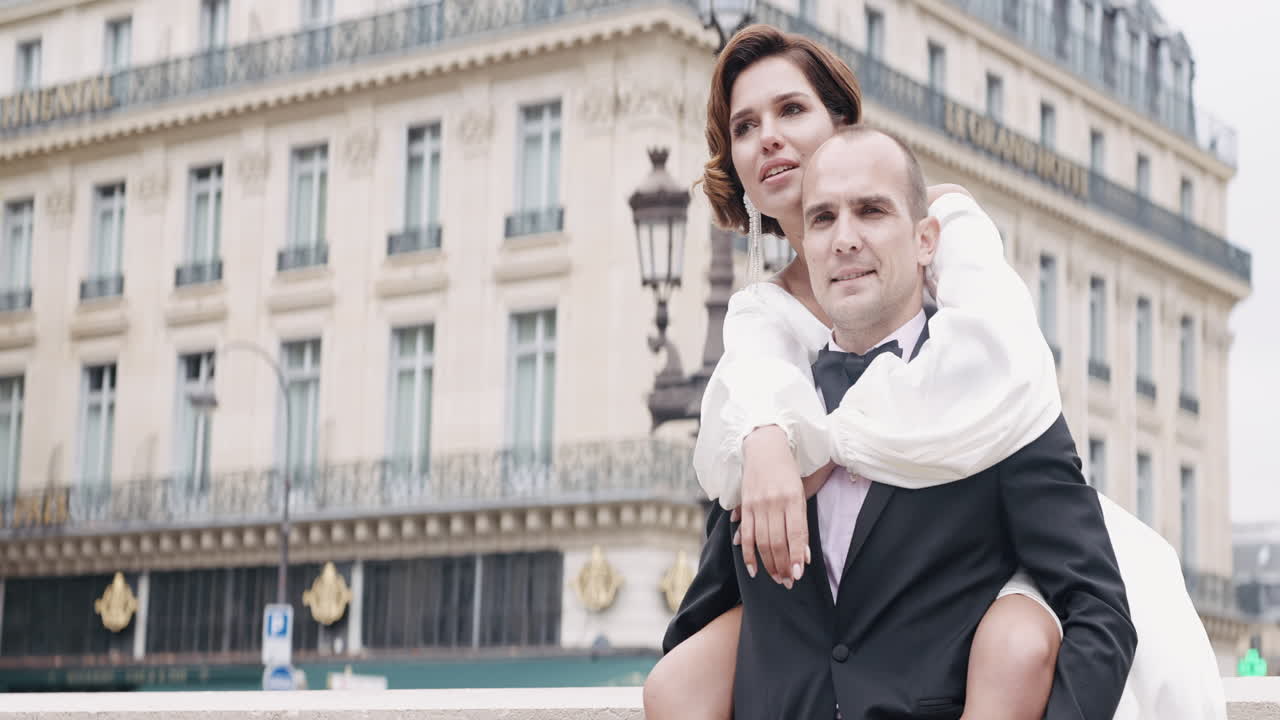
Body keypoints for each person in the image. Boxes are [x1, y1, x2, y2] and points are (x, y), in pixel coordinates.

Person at [645, 24, 1226, 720]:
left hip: (993, 496)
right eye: (744, 126)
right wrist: (764, 439)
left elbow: (1005, 372)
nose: (768, 136)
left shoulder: (955, 266)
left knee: (1019, 637)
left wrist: (824, 442)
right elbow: (722, 596)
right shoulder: (759, 341)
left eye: (791, 110)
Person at [671, 124, 1137, 719]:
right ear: (805, 246)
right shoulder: (764, 407)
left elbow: (1100, 612)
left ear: (925, 241)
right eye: (822, 219)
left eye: (871, 211)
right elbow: (704, 618)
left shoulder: (993, 400)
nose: (845, 240)